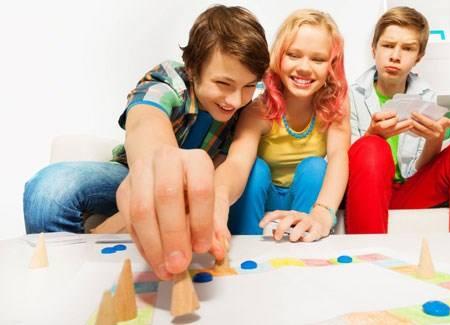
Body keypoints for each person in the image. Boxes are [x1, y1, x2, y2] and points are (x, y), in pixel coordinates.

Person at [22, 5, 270, 279]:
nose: (235, 100)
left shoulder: (251, 103)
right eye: (223, 84)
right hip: (130, 173)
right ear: (193, 68)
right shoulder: (170, 80)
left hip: (201, 188)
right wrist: (156, 163)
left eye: (248, 85)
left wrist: (217, 197)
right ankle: (64, 282)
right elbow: (145, 120)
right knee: (50, 190)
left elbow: (234, 165)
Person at [345, 6, 450, 234]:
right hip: (366, 193)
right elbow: (341, 164)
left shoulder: (427, 96)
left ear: (419, 57)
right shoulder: (349, 95)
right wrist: (372, 136)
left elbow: (418, 170)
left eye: (407, 49)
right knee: (371, 147)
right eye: (388, 45)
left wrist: (434, 141)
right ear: (374, 49)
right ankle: (368, 257)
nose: (395, 56)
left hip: (409, 190)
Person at [214, 9, 349, 242]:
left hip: (303, 199)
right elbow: (236, 162)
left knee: (316, 167)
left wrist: (323, 213)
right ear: (278, 58)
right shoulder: (259, 110)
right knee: (256, 169)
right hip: (260, 198)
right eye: (294, 55)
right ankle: (248, 243)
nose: (305, 67)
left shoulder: (335, 106)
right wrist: (218, 199)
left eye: (317, 59)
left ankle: (304, 235)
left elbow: (339, 157)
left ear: (331, 66)